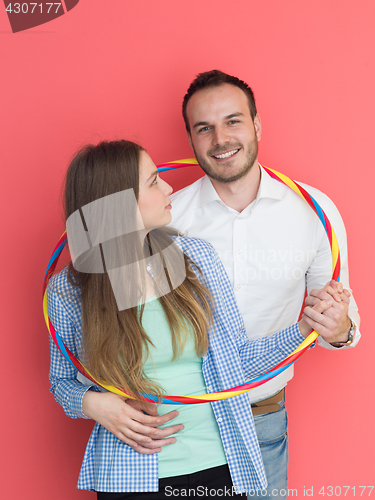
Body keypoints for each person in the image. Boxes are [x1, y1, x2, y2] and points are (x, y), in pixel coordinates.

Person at [47, 140, 348, 498]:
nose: (169, 187)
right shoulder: (67, 290)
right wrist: (94, 404)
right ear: (118, 204)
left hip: (220, 464)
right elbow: (61, 382)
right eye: (153, 181)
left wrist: (306, 326)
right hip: (131, 475)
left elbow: (237, 360)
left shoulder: (197, 258)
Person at [167, 70, 361, 498]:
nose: (221, 138)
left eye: (233, 121)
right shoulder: (166, 219)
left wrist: (340, 327)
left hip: (262, 420)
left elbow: (342, 320)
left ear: (256, 125)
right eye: (204, 127)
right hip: (182, 423)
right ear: (191, 139)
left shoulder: (315, 212)